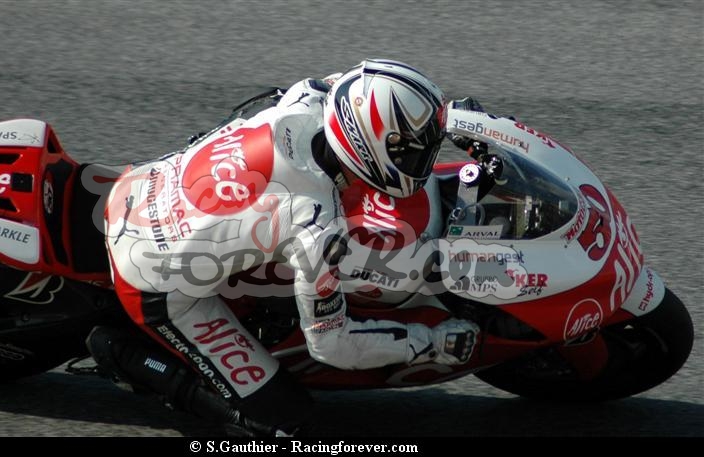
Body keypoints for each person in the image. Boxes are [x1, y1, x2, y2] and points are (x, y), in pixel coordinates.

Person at [86, 59, 481, 436]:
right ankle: (124, 354)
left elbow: (358, 92)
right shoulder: (315, 227)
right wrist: (430, 343)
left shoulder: (306, 97)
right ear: (370, 150)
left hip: (141, 184)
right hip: (153, 280)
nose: (420, 159)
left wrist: (451, 120)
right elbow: (331, 344)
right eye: (411, 151)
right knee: (282, 423)